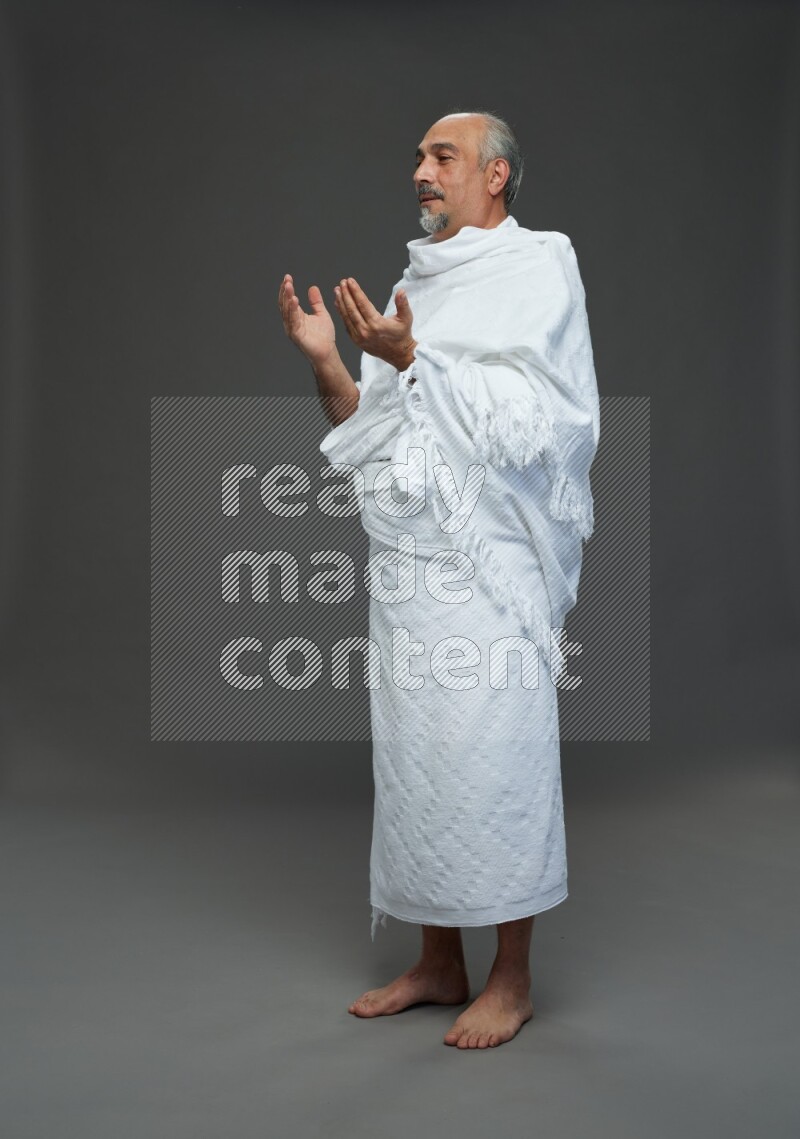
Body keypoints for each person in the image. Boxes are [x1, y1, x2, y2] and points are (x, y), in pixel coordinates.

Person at [277, 111, 599, 1049]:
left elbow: (548, 422)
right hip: (413, 577)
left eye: (442, 156)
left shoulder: (539, 266)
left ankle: (512, 975)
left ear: (495, 176)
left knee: (498, 763)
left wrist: (415, 359)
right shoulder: (417, 281)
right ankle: (438, 960)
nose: (420, 170)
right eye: (419, 156)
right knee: (418, 767)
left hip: (493, 577)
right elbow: (376, 430)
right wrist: (331, 361)